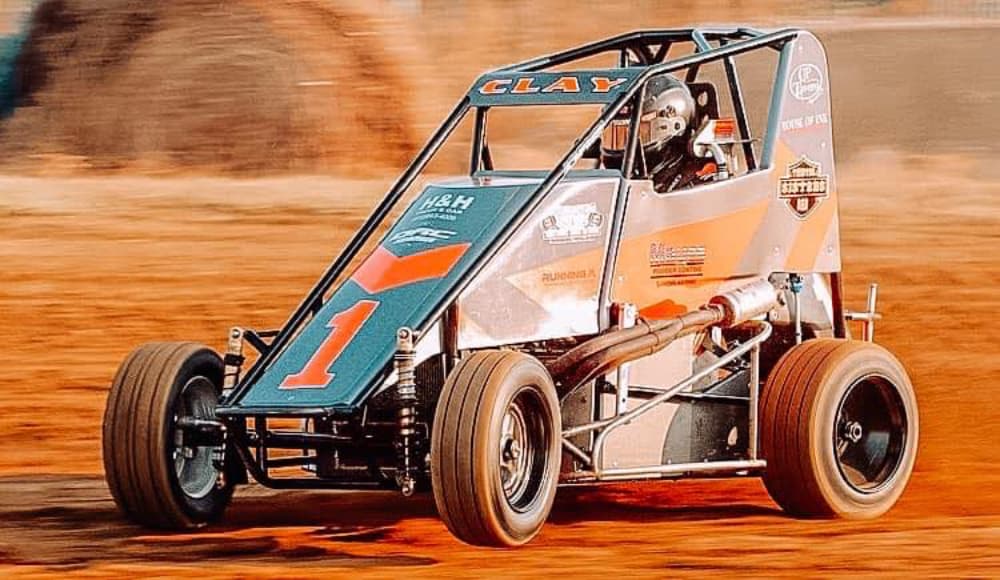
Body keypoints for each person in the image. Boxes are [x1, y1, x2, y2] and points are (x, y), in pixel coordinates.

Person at [600, 74, 717, 192]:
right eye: (615, 134)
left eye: (640, 132)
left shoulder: (700, 181)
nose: (624, 145)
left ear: (673, 127)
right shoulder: (608, 185)